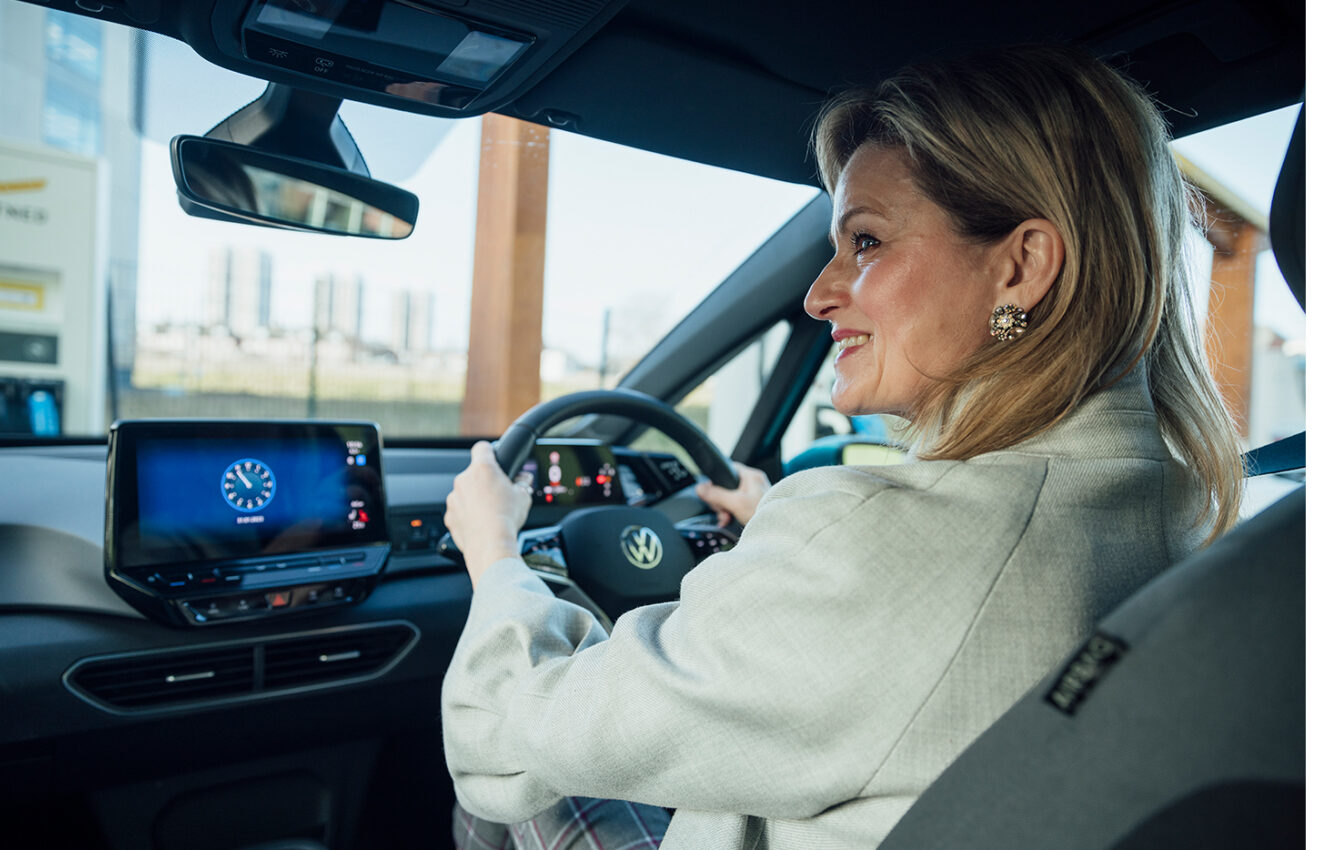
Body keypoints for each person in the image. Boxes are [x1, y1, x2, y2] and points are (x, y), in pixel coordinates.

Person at [439, 44, 1242, 850]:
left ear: (1022, 266)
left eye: (866, 243)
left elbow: (506, 732)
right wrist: (782, 543)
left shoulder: (871, 548)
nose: (820, 294)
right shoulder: (1189, 509)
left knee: (506, 792)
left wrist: (497, 556)